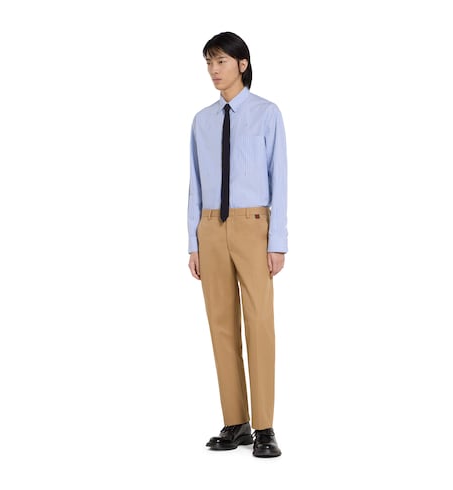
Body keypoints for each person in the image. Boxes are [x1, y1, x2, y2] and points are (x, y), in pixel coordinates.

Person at [187, 31, 288, 458]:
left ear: (242, 64)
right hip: (211, 226)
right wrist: (193, 240)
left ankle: (264, 426)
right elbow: (195, 182)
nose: (214, 70)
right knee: (221, 324)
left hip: (253, 224)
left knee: (259, 322)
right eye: (209, 63)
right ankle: (236, 422)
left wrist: (277, 241)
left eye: (221, 61)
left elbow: (279, 178)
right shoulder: (202, 121)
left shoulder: (266, 114)